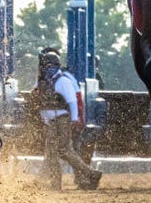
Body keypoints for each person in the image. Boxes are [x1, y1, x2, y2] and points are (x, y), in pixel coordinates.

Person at [32, 51, 101, 191]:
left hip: (62, 120)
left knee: (61, 151)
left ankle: (59, 182)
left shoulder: (63, 81)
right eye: (46, 66)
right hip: (50, 121)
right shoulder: (41, 82)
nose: (47, 69)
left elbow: (72, 101)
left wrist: (75, 119)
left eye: (50, 65)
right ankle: (90, 174)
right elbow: (37, 99)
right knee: (59, 152)